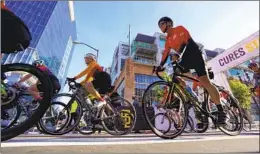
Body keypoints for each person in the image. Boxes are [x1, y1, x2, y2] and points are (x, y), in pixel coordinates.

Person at [156, 16, 226, 125]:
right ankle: (190, 98)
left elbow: (185, 42)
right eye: (159, 26)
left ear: (168, 23)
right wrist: (160, 65)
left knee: (205, 82)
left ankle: (221, 112)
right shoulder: (168, 40)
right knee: (175, 77)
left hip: (195, 55)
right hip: (184, 60)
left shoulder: (179, 29)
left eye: (161, 24)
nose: (160, 27)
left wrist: (178, 54)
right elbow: (165, 53)